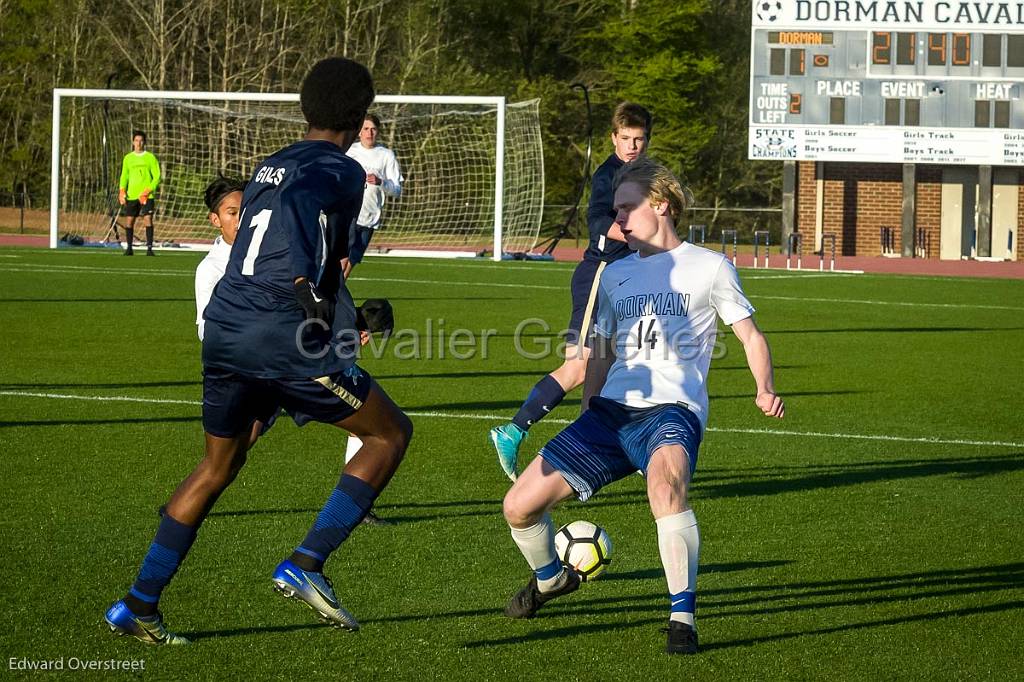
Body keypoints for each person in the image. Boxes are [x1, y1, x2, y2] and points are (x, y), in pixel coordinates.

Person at [104, 57, 413, 646]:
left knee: (218, 465)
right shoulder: (345, 173)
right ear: (359, 116)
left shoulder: (271, 164)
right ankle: (308, 562)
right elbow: (324, 256)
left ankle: (138, 604)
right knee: (389, 434)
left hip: (224, 326)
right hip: (282, 332)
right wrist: (322, 305)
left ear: (305, 108)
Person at [499, 157, 785, 655]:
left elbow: (750, 335)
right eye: (615, 212)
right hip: (611, 412)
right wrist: (589, 404)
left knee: (665, 486)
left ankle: (681, 619)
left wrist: (763, 387)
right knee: (518, 506)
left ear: (662, 205)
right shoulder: (614, 275)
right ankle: (549, 580)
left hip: (672, 409)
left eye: (626, 209)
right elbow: (603, 349)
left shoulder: (711, 266)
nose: (618, 222)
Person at [490, 102, 652, 481]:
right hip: (601, 274)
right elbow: (597, 220)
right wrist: (638, 235)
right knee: (580, 367)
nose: (632, 146)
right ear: (614, 137)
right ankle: (515, 431)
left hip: (630, 280)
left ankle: (634, 449)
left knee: (631, 364)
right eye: (625, 138)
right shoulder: (608, 174)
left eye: (639, 139)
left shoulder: (647, 175)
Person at [341, 113, 403, 278]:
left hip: (370, 218)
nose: (370, 133)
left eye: (373, 129)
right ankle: (328, 299)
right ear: (359, 132)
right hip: (348, 215)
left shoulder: (386, 155)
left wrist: (381, 182)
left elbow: (396, 190)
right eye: (366, 129)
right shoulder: (348, 151)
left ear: (378, 132)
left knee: (349, 266)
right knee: (339, 261)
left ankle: (333, 299)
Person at [118, 130, 161, 256]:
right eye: (136, 140)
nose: (139, 143)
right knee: (129, 221)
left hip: (146, 196)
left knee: (148, 219)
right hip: (131, 195)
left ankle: (149, 248)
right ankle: (129, 248)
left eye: (141, 141)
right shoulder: (128, 158)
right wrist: (122, 191)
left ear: (144, 142)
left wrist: (148, 190)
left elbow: (157, 176)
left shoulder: (150, 157)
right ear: (133, 142)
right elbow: (124, 176)